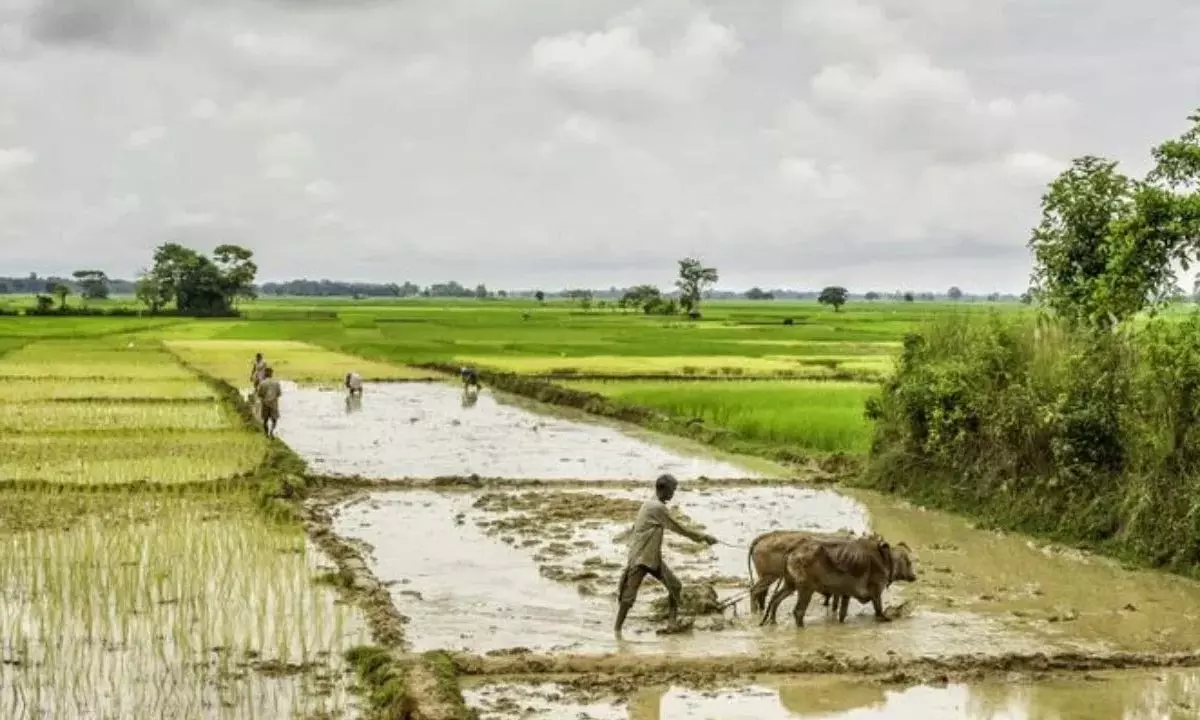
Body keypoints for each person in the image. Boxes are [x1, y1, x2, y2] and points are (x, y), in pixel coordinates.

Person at [614, 474, 718, 635]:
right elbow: (678, 528)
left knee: (675, 586)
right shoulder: (656, 507)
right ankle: (617, 630)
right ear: (663, 489)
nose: (673, 493)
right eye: (672, 490)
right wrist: (703, 537)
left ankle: (672, 623)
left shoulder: (651, 503)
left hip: (652, 557)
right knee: (629, 596)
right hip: (641, 558)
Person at [255, 366, 282, 438]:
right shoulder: (276, 383)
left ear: (265, 374)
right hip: (274, 404)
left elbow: (259, 394)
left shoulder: (262, 383)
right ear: (271, 374)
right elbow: (279, 394)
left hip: (265, 404)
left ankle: (266, 434)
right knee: (274, 420)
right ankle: (272, 431)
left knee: (265, 420)